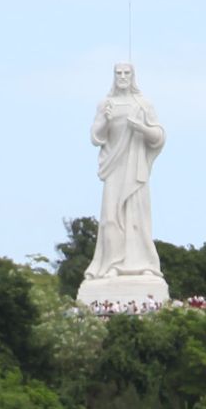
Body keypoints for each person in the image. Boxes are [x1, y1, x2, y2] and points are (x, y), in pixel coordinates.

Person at [81, 62, 168, 299]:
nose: (122, 76)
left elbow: (159, 136)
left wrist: (141, 128)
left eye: (126, 73)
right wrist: (105, 121)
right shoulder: (106, 104)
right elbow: (95, 137)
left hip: (136, 167)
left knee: (137, 217)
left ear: (133, 76)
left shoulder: (143, 104)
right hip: (114, 167)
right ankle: (112, 263)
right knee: (110, 216)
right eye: (118, 73)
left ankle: (143, 264)